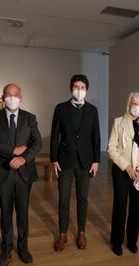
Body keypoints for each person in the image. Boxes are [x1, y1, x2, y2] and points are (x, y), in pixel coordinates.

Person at [0, 83, 42, 266]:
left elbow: (37, 143)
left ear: (21, 98)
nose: (12, 97)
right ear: (2, 97)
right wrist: (13, 151)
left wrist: (23, 158)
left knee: (23, 212)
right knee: (6, 212)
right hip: (3, 172)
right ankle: (6, 248)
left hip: (24, 172)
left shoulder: (29, 118)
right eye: (8, 94)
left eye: (15, 94)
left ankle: (23, 247)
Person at [50, 74, 101, 251]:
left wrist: (96, 160)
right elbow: (55, 135)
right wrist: (54, 159)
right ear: (71, 88)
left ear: (87, 90)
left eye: (82, 87)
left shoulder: (92, 110)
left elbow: (96, 137)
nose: (79, 90)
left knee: (83, 198)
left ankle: (81, 232)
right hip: (65, 161)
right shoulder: (61, 108)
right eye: (76, 87)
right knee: (63, 199)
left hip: (85, 162)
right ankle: (62, 233)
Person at [107, 92, 139, 256]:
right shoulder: (118, 122)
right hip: (122, 170)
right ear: (129, 105)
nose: (136, 107)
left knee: (136, 206)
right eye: (133, 104)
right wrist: (127, 167)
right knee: (120, 205)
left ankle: (132, 241)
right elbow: (111, 149)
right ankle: (116, 241)